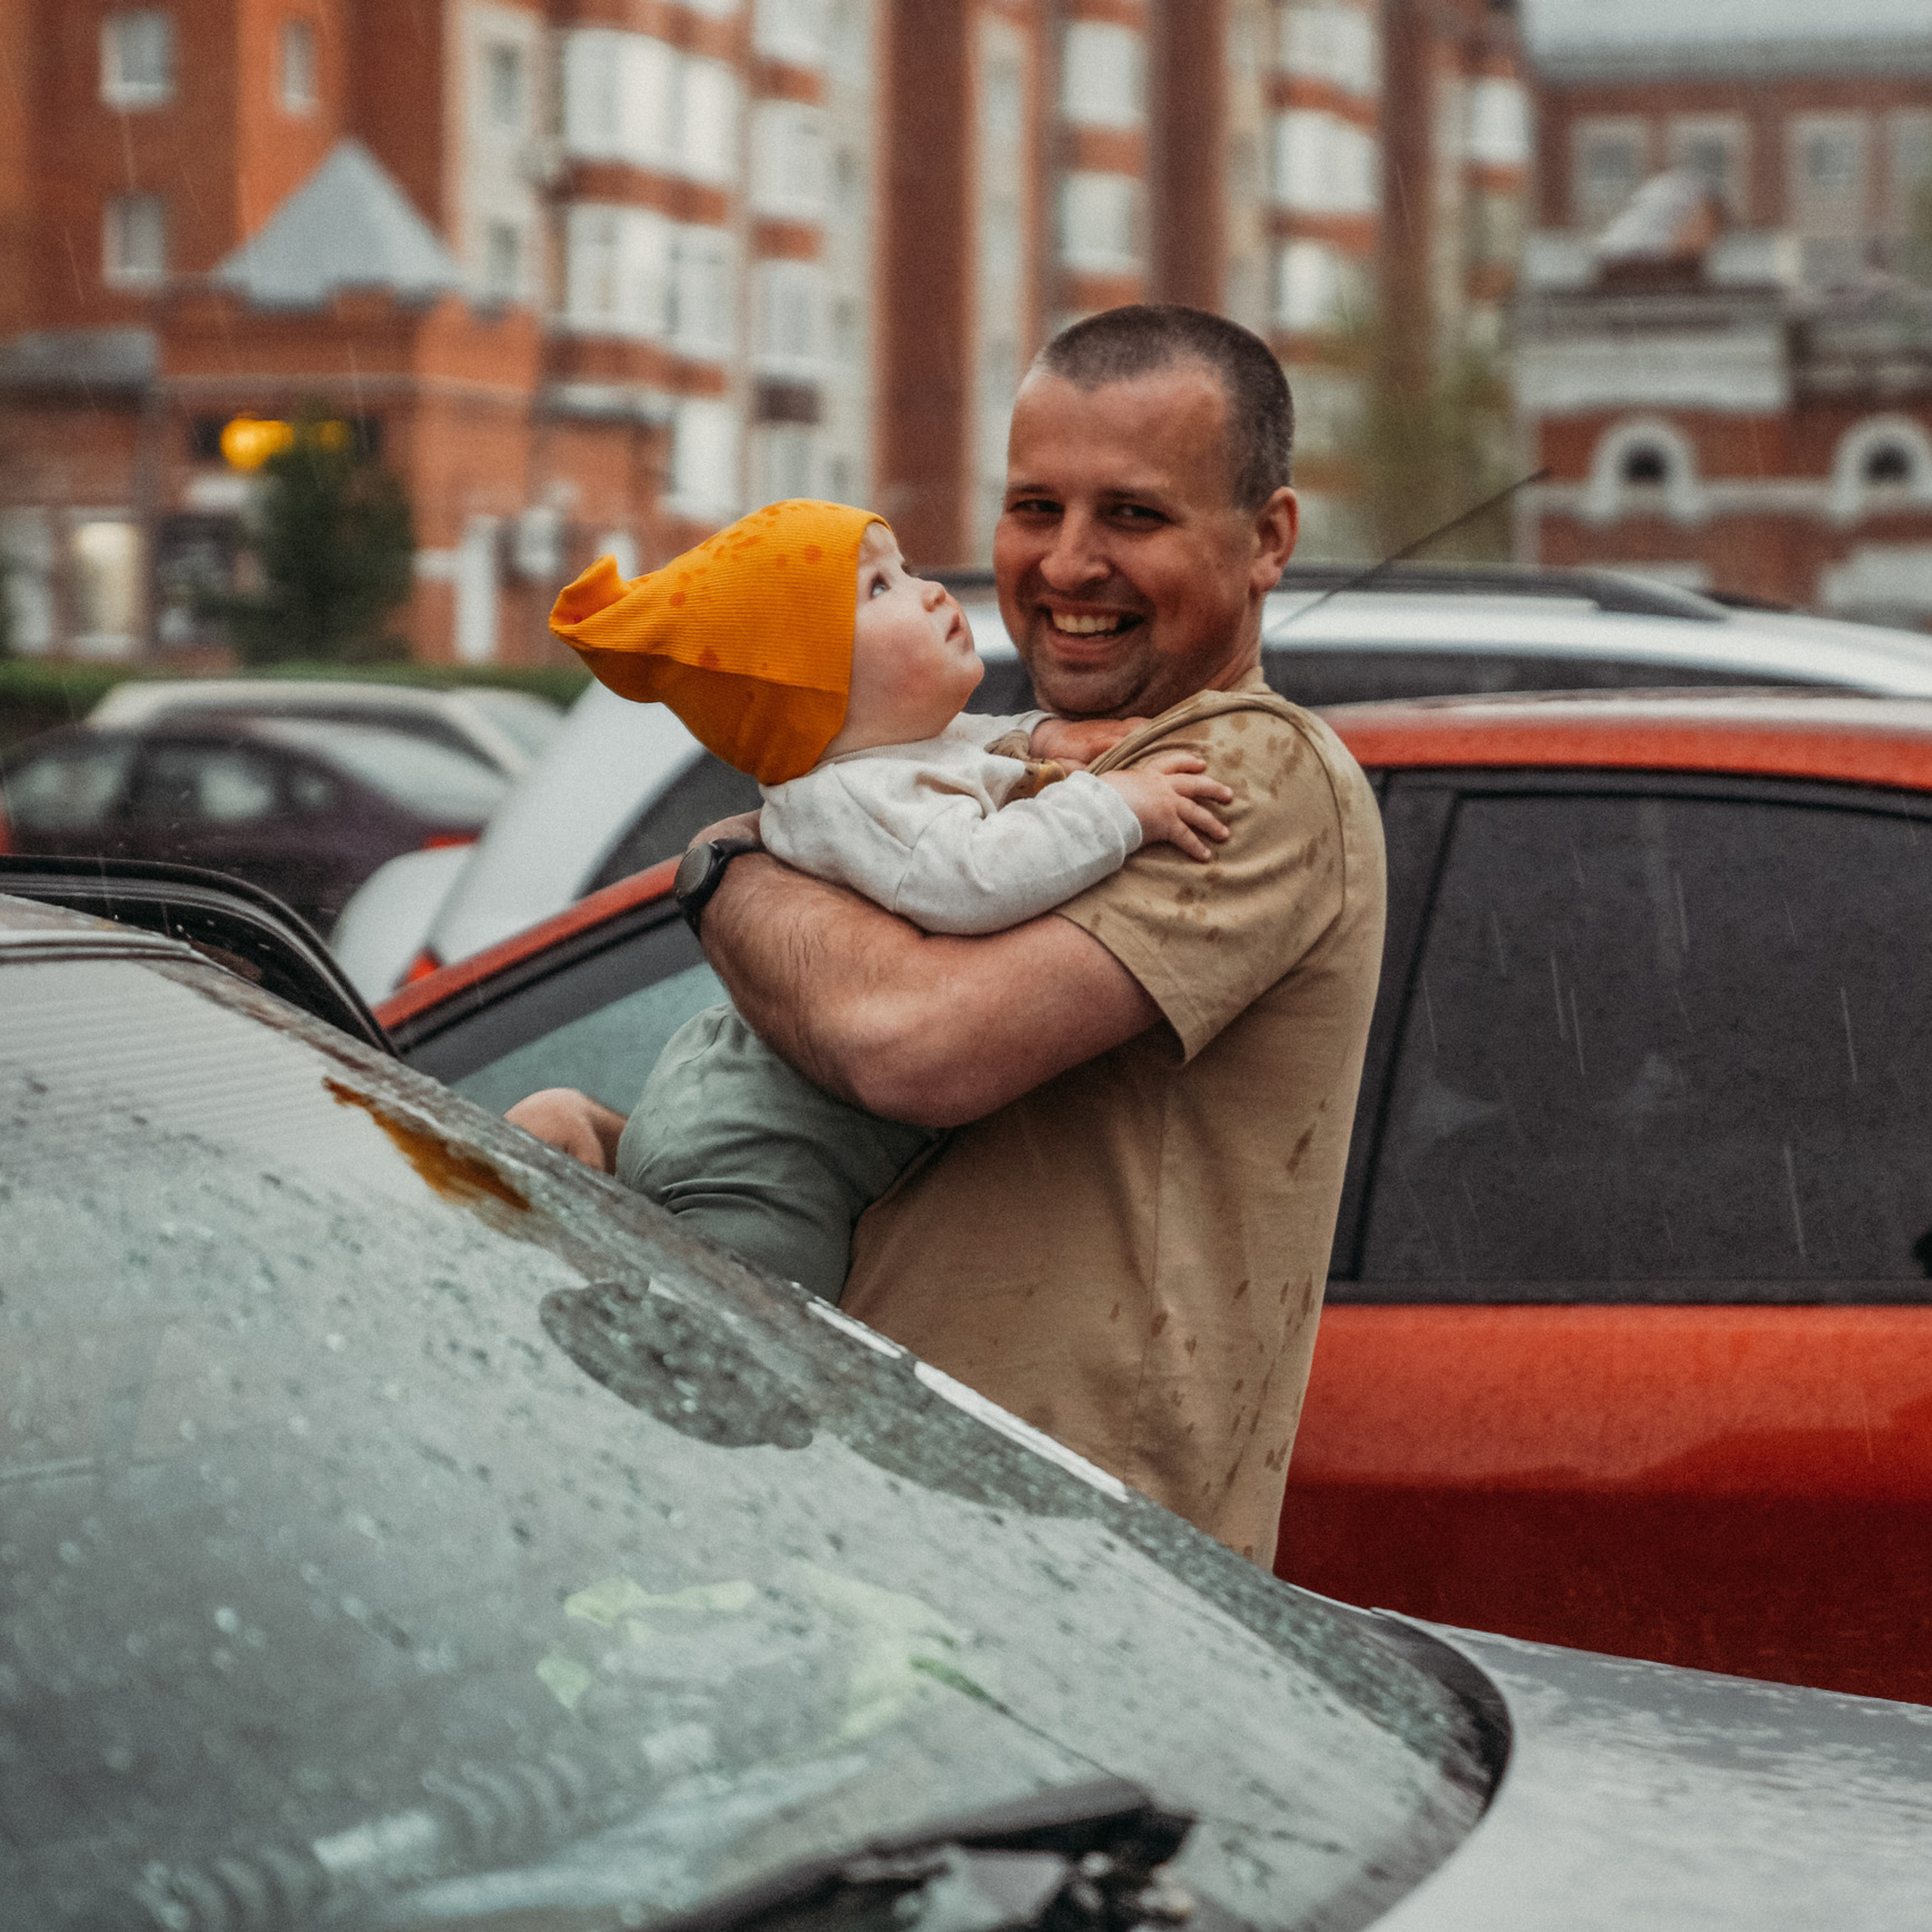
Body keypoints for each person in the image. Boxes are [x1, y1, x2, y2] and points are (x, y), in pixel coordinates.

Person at [511, 305, 1386, 1568]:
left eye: (1132, 516)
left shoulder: (1244, 773)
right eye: (1036, 509)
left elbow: (912, 1048)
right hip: (899, 1555)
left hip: (1079, 1572)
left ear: (1269, 539)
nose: (1069, 563)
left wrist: (727, 870)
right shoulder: (986, 767)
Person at [540, 499, 1234, 1300]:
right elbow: (974, 878)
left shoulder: (889, 757)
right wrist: (1123, 808)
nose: (930, 591)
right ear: (813, 688)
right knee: (752, 1353)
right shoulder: (852, 799)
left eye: (904, 569)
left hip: (754, 1112)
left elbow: (969, 742)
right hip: (756, 1157)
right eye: (878, 589)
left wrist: (1039, 739)